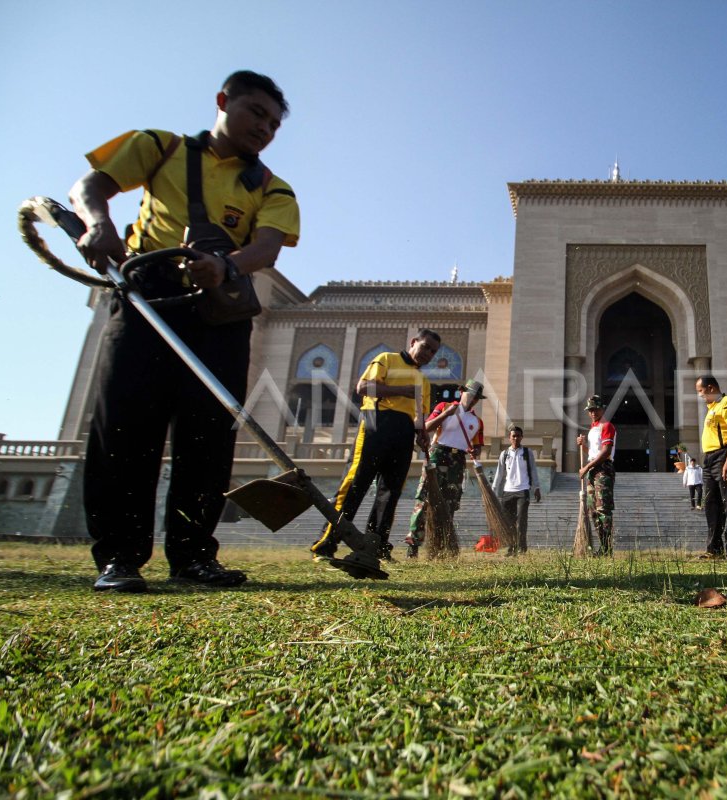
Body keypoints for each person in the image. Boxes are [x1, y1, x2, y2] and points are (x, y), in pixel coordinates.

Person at [70, 71, 300, 592]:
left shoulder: (271, 186)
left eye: (273, 124)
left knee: (208, 434)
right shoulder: (159, 147)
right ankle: (119, 557)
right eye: (255, 113)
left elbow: (267, 247)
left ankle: (194, 555)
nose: (264, 128)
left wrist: (226, 267)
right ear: (223, 102)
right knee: (126, 425)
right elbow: (91, 186)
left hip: (220, 307)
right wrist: (97, 222)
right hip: (147, 294)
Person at [310, 331, 440, 561]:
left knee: (390, 491)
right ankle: (327, 542)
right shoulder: (387, 359)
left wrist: (422, 434)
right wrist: (402, 390)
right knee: (356, 482)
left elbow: (420, 414)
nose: (428, 354)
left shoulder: (425, 382)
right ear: (413, 342)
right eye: (426, 347)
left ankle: (376, 546)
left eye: (433, 351)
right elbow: (363, 388)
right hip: (376, 422)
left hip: (403, 432)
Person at [405, 379, 486, 557]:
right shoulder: (444, 406)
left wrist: (475, 450)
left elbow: (478, 446)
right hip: (438, 454)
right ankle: (414, 545)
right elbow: (426, 428)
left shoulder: (477, 421)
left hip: (458, 461)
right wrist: (447, 414)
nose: (473, 400)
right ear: (461, 391)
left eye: (476, 398)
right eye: (471, 395)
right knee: (424, 499)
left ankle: (441, 545)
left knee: (450, 503)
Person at [696, 376, 727, 558]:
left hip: (724, 456)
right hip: (709, 460)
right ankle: (714, 549)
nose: (700, 395)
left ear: (710, 387)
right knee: (711, 504)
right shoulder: (712, 408)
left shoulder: (726, 402)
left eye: (701, 391)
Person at [492, 425, 542, 555]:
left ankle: (522, 548)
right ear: (509, 438)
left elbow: (533, 470)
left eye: (518, 436)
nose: (516, 438)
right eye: (513, 436)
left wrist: (536, 487)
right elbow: (499, 473)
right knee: (508, 522)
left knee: (521, 521)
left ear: (521, 437)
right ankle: (511, 547)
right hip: (507, 491)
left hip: (523, 490)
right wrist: (493, 489)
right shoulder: (505, 454)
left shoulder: (527, 452)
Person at [576, 395, 615, 556]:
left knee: (603, 509)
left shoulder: (607, 426)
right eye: (590, 410)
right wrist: (583, 446)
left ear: (602, 408)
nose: (593, 412)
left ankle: (607, 548)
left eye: (595, 409)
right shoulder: (593, 428)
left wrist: (586, 467)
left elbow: (605, 452)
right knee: (593, 511)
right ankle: (602, 547)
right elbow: (593, 453)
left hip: (603, 469)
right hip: (593, 469)